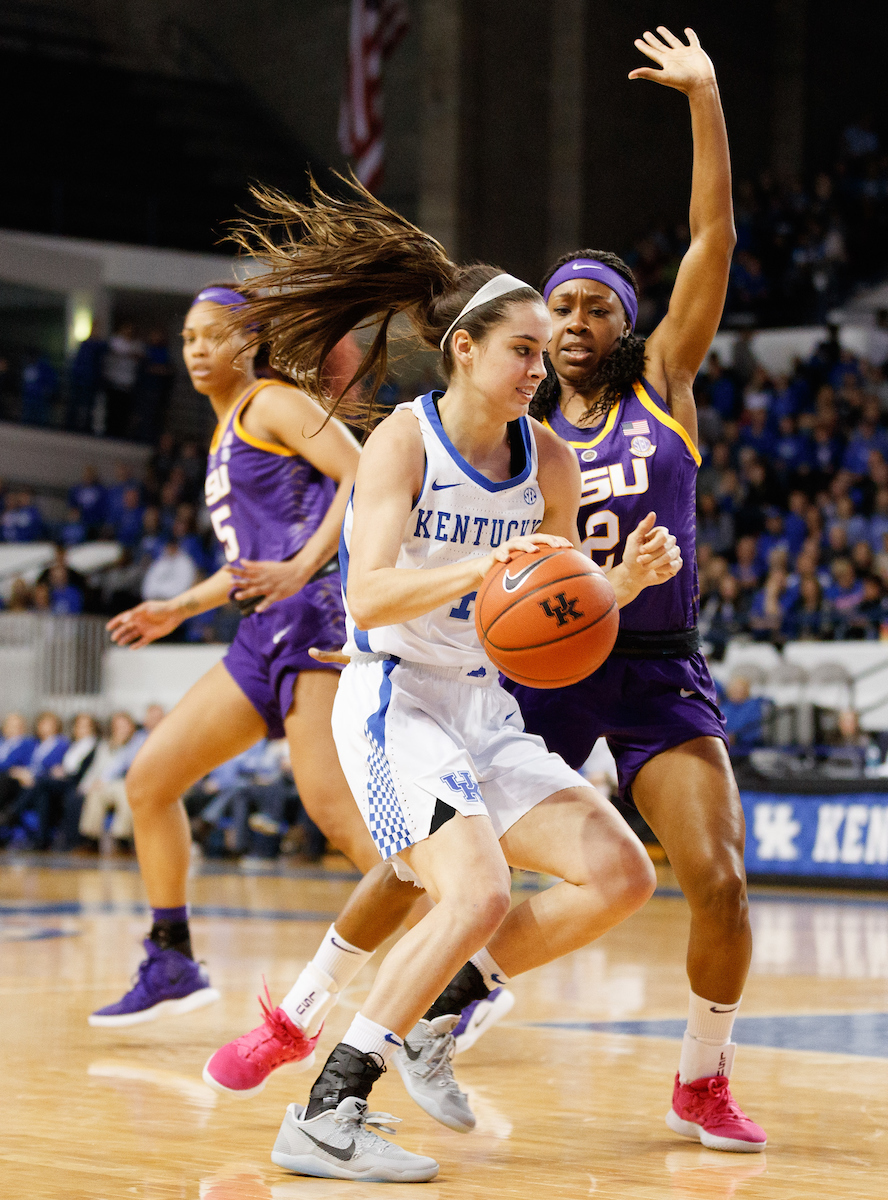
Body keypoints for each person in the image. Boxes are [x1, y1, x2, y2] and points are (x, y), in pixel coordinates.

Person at [206, 26, 765, 1164]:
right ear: (479, 349)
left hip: (602, 661)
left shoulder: (633, 403)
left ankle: (459, 1007)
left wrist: (621, 579)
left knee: (635, 874)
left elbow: (713, 235)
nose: (563, 332)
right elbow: (395, 585)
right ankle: (315, 1051)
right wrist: (499, 572)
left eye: (590, 309)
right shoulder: (438, 434)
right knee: (439, 879)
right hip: (446, 677)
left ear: (624, 321)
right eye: (542, 321)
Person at [88, 282, 389, 1028]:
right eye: (187, 337)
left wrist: (306, 567)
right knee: (151, 781)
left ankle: (462, 969)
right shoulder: (226, 433)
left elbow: (365, 475)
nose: (196, 348)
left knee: (337, 817)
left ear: (246, 344)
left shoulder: (271, 403)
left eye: (211, 335)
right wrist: (179, 606)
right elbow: (252, 562)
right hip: (261, 631)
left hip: (311, 616)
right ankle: (172, 960)